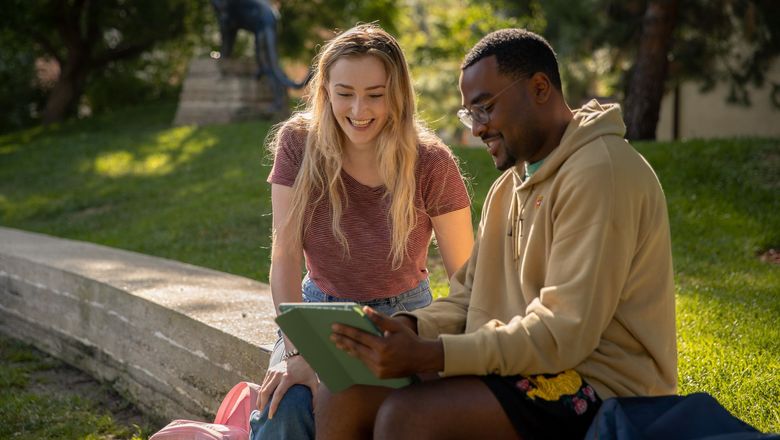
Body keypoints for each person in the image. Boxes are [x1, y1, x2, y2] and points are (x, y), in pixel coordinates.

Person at [317, 28, 677, 439]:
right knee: (344, 391)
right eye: (470, 114)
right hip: (519, 367)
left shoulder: (601, 173)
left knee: (410, 417)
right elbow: (470, 296)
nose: (477, 128)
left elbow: (565, 332)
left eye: (484, 108)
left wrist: (434, 354)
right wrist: (407, 329)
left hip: (604, 389)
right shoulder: (510, 186)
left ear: (540, 88)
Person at [249, 24, 474, 439]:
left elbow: (467, 280)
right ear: (325, 91)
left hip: (404, 318)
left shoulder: (431, 162)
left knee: (395, 418)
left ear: (398, 93)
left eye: (375, 94)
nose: (359, 110)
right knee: (284, 409)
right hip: (316, 316)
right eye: (344, 93)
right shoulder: (298, 144)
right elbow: (283, 256)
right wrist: (298, 352)